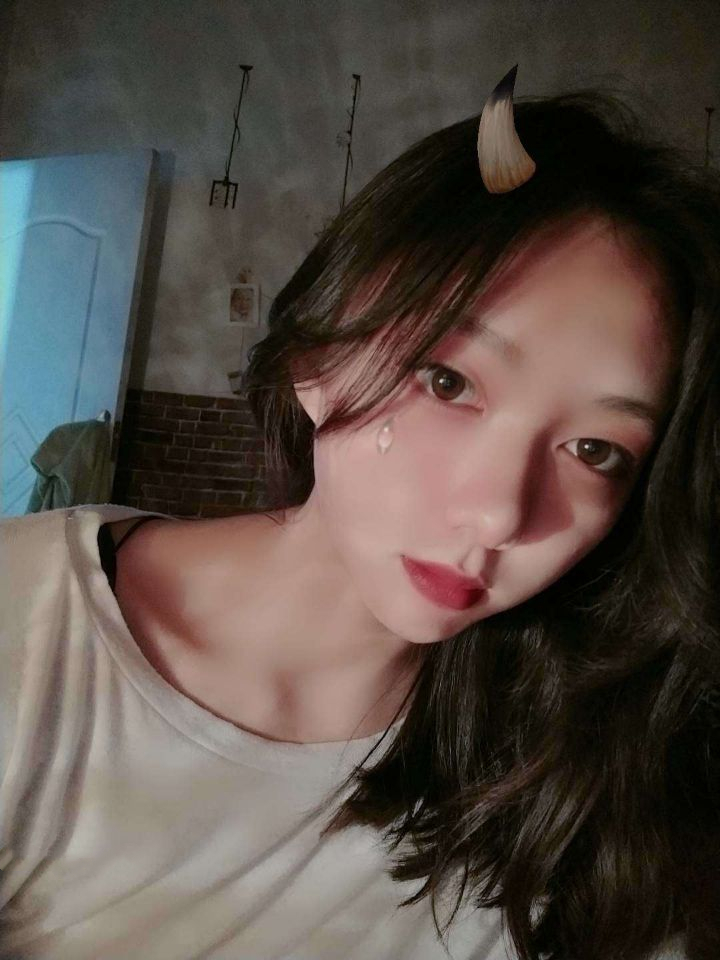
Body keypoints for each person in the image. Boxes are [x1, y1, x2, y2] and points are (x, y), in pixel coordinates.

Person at [1, 66, 718, 960]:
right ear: (318, 356)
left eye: (595, 450)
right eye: (448, 382)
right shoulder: (25, 631)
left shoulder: (594, 754)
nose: (498, 515)